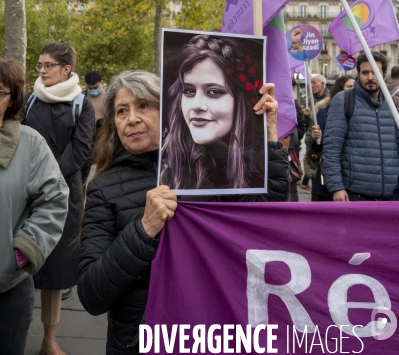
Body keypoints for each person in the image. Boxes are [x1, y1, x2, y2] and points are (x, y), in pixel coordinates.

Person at [78, 69, 289, 355]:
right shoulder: (103, 189)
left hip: (212, 333)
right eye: (121, 111)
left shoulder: (213, 167)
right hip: (141, 343)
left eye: (143, 106)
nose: (132, 119)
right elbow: (92, 294)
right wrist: (144, 229)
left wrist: (269, 137)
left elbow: (267, 220)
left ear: (167, 111)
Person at [25, 41, 95, 355]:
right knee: (19, 265)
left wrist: (48, 177)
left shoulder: (83, 104)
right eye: (39, 65)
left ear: (66, 68)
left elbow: (81, 152)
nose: (41, 70)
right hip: (26, 192)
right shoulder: (28, 100)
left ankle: (48, 339)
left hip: (63, 196)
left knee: (54, 273)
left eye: (48, 65)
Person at [0, 59, 68, 355]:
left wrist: (21, 253)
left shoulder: (30, 145)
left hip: (8, 290)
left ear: (11, 98)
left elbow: (54, 200)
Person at [160, 34, 267, 190]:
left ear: (241, 101)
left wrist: (271, 132)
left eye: (213, 92)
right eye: (189, 91)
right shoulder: (163, 169)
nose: (196, 105)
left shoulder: (261, 168)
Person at [322, 52, 399, 201]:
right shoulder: (343, 100)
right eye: (365, 72)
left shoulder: (393, 105)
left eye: (375, 72)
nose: (370, 77)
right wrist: (336, 187)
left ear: (384, 75)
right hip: (355, 195)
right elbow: (331, 148)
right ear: (358, 74)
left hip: (391, 197)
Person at [304, 75, 355, 201]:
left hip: (355, 176)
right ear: (340, 89)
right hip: (330, 175)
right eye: (350, 87)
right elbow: (316, 147)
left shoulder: (360, 110)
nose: (354, 90)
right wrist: (316, 138)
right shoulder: (325, 111)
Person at [300, 73, 329, 192]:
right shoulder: (308, 99)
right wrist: (305, 116)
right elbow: (303, 125)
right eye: (310, 83)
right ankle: (313, 189)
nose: (311, 85)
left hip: (325, 139)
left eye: (314, 83)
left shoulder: (331, 98)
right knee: (312, 163)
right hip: (311, 140)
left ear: (322, 84)